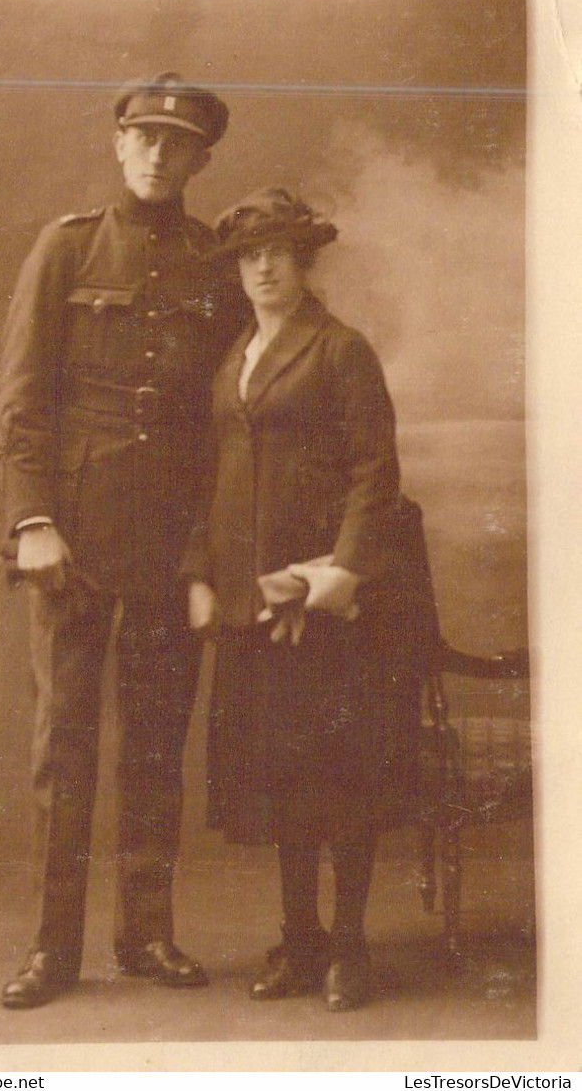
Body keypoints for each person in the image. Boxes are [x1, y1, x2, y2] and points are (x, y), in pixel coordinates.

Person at [0, 72, 234, 1009]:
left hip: (171, 541)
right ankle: (53, 950)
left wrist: (206, 555)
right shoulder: (65, 248)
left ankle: (146, 933)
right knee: (64, 745)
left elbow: (224, 417)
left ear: (200, 160)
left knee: (154, 742)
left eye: (178, 143)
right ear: (118, 144)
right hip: (75, 537)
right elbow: (21, 399)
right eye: (145, 137)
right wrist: (32, 521)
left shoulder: (218, 263)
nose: (158, 154)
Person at [182, 188, 421, 1012]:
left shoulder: (339, 349)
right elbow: (211, 480)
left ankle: (348, 946)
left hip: (326, 608)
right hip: (253, 604)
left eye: (280, 251)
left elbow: (374, 476)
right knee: (282, 778)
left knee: (339, 779)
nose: (264, 267)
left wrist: (330, 580)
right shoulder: (234, 356)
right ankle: (300, 938)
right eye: (250, 255)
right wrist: (202, 576)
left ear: (304, 260)